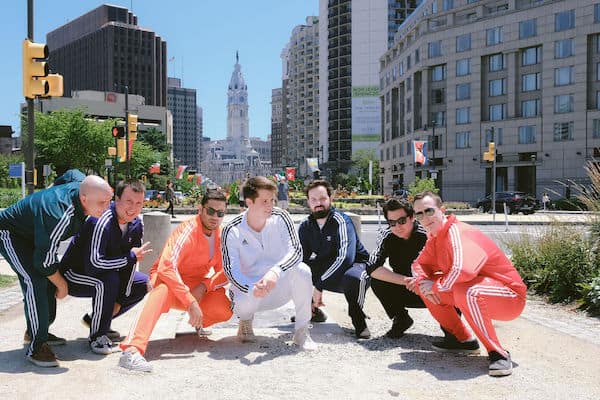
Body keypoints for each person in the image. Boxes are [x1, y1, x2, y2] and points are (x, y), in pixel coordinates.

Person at [407, 191, 527, 377]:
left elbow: (463, 271)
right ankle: (461, 340)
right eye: (419, 214)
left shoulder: (459, 232)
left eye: (429, 211)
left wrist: (435, 285)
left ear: (442, 210)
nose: (424, 217)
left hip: (510, 297)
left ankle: (498, 354)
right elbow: (418, 264)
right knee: (425, 288)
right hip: (482, 291)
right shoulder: (435, 237)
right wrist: (423, 281)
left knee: (466, 291)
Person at [0, 170, 113, 367]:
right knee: (35, 280)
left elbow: (71, 173)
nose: (107, 208)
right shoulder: (59, 214)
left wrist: (52, 188)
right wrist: (63, 286)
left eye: (109, 201)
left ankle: (36, 329)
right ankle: (36, 346)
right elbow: (43, 262)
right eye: (102, 203)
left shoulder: (81, 184)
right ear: (84, 198)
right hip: (11, 233)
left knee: (49, 280)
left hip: (37, 234)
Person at [119, 190, 233, 372]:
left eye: (220, 214)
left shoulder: (221, 236)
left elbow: (226, 270)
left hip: (196, 286)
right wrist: (189, 301)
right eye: (211, 211)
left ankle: (198, 323)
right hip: (170, 282)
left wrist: (204, 287)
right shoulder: (187, 230)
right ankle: (132, 350)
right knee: (160, 292)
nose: (215, 217)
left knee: (224, 309)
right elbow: (167, 267)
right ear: (200, 209)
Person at [222, 176, 317, 350]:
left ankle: (302, 332)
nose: (270, 205)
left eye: (272, 200)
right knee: (242, 303)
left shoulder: (281, 217)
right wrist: (252, 288)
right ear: (249, 202)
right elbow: (230, 270)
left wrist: (275, 272)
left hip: (279, 286)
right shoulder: (232, 229)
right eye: (264, 201)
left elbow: (296, 251)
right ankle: (245, 322)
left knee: (303, 271)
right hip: (250, 292)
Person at [60, 179, 152, 355]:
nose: (133, 207)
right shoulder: (101, 220)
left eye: (139, 203)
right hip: (75, 273)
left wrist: (120, 300)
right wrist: (130, 257)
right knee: (108, 280)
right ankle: (98, 335)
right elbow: (94, 264)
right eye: (129, 201)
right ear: (116, 200)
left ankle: (100, 320)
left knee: (143, 283)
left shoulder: (136, 224)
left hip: (104, 271)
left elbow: (130, 264)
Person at [297, 179, 371, 338]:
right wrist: (307, 291)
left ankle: (359, 320)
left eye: (323, 198)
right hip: (328, 265)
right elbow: (301, 257)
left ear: (331, 199)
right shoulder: (306, 225)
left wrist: (319, 285)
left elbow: (345, 258)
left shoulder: (341, 221)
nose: (318, 203)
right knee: (297, 270)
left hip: (355, 266)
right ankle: (312, 310)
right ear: (308, 202)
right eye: (314, 200)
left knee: (352, 277)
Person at [365, 197, 428, 338]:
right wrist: (407, 281)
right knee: (377, 280)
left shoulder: (427, 234)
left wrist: (425, 283)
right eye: (392, 223)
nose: (397, 227)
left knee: (450, 284)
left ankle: (452, 330)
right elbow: (372, 266)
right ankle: (401, 319)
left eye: (401, 221)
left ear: (412, 217)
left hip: (431, 288)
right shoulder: (387, 235)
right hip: (406, 287)